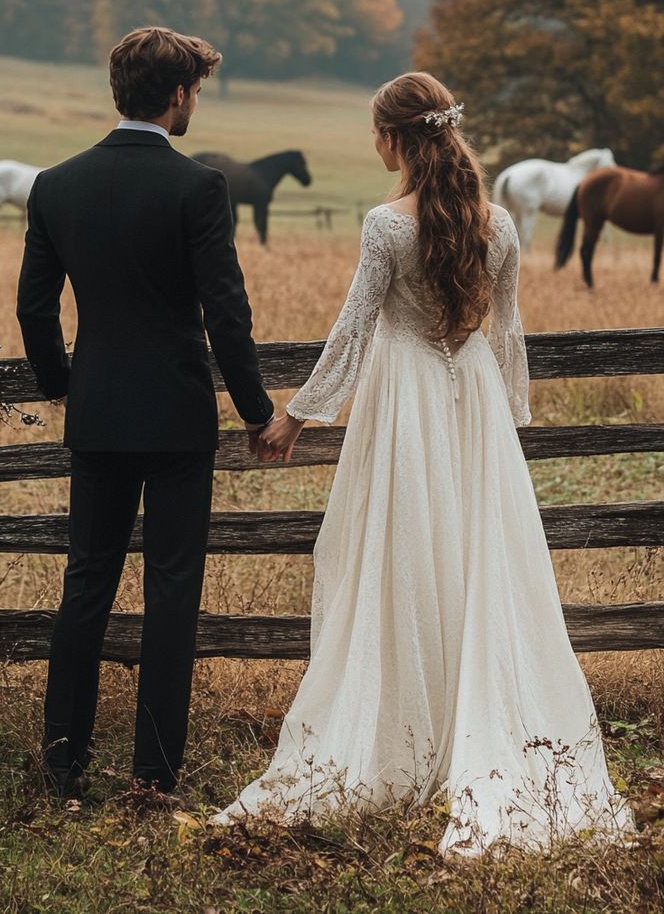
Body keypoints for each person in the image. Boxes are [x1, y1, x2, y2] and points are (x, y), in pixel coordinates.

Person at [214, 72, 633, 857]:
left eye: (377, 132)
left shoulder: (384, 225)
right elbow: (506, 336)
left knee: (401, 557)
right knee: (478, 559)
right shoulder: (501, 225)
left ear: (394, 137)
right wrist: (506, 422)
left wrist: (296, 416)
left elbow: (349, 332)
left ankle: (402, 733)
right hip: (470, 395)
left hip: (403, 398)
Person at [16, 26, 273, 801]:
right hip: (177, 418)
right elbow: (225, 315)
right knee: (171, 591)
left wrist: (64, 383)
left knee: (85, 584)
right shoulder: (198, 187)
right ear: (179, 94)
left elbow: (34, 307)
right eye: (196, 89)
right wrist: (257, 409)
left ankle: (63, 764)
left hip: (97, 414)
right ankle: (154, 775)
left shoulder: (55, 184)